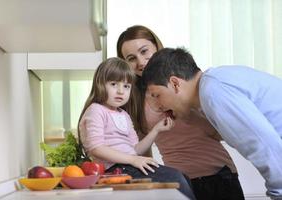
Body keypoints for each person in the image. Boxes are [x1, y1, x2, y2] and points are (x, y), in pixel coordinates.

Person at [117, 25, 245, 200]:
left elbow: (221, 134)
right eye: (131, 58)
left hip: (220, 174)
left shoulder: (184, 80)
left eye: (144, 51)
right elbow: (141, 149)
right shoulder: (132, 99)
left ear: (156, 46)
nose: (140, 61)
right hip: (179, 181)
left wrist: (187, 113)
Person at [141, 47, 282, 200]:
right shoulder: (213, 84)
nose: (158, 105)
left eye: (157, 95)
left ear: (175, 84)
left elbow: (263, 146)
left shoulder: (213, 92)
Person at [77, 57, 196, 200]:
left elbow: (136, 149)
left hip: (129, 165)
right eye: (114, 84)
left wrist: (156, 130)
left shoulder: (124, 115)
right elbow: (96, 148)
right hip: (114, 169)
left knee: (182, 177)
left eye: (126, 86)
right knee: (174, 178)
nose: (121, 91)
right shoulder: (96, 110)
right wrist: (133, 160)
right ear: (100, 84)